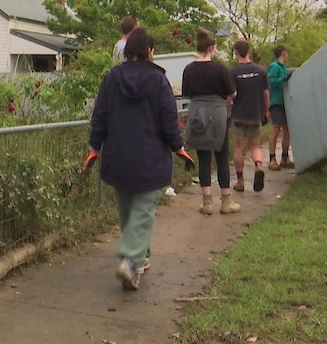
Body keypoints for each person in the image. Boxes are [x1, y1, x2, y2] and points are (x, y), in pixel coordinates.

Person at [88, 27, 194, 290]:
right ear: (149, 51)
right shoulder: (159, 81)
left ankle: (139, 259)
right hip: (150, 158)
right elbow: (169, 119)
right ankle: (131, 259)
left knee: (127, 210)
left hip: (118, 156)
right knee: (144, 211)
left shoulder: (111, 79)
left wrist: (94, 147)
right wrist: (178, 146)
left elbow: (99, 115)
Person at [182, 28, 239, 215]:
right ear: (212, 48)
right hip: (217, 113)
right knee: (222, 158)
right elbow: (233, 93)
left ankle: (206, 203)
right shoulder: (220, 68)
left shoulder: (189, 69)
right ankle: (226, 201)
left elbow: (186, 93)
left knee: (203, 158)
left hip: (198, 112)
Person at [229, 40, 270, 193]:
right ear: (249, 52)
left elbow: (229, 96)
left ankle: (240, 181)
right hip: (255, 114)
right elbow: (266, 94)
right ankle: (258, 165)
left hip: (238, 115)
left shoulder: (232, 72)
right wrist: (265, 110)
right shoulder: (261, 71)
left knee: (239, 148)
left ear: (236, 53)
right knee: (255, 146)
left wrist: (228, 111)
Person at [267, 45, 294, 170]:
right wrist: (283, 79)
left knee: (287, 129)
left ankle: (285, 157)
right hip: (277, 101)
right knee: (276, 127)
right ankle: (272, 158)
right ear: (283, 53)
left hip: (285, 102)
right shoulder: (274, 66)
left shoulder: (284, 68)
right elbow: (271, 82)